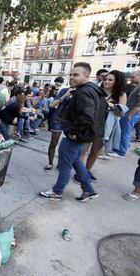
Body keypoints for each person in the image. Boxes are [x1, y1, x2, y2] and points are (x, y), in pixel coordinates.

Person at [39, 62, 107, 202]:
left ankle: (57, 192)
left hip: (76, 136)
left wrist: (73, 132)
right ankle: (88, 190)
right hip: (84, 136)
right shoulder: (91, 89)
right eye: (71, 74)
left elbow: (88, 116)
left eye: (76, 75)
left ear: (86, 76)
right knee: (76, 161)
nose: (71, 77)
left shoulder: (83, 91)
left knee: (65, 165)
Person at [75, 70, 127, 182]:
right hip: (91, 124)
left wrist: (110, 105)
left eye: (110, 80)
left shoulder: (121, 95)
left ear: (116, 82)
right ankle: (79, 172)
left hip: (105, 127)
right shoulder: (97, 90)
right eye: (105, 79)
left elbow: (121, 113)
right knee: (83, 150)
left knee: (94, 152)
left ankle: (86, 172)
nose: (106, 81)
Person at [108, 70, 140, 158]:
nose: (131, 78)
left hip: (131, 114)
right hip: (131, 113)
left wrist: (129, 114)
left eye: (133, 77)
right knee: (123, 131)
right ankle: (119, 149)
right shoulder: (137, 86)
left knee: (125, 132)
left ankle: (121, 152)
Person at [44, 86, 73, 170]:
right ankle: (50, 163)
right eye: (71, 76)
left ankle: (62, 164)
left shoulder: (82, 91)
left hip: (71, 122)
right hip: (58, 120)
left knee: (67, 146)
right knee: (53, 143)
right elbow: (52, 104)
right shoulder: (64, 90)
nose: (72, 79)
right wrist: (66, 95)